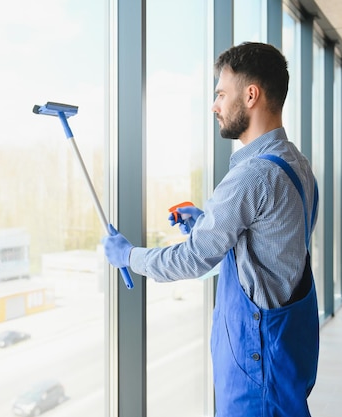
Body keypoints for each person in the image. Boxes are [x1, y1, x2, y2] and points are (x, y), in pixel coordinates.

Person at [102, 42, 319, 417]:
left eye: (221, 93)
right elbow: (269, 253)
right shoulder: (297, 166)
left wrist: (128, 256)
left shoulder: (253, 175)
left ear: (251, 95)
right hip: (285, 360)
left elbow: (192, 259)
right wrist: (207, 223)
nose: (215, 106)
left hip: (255, 370)